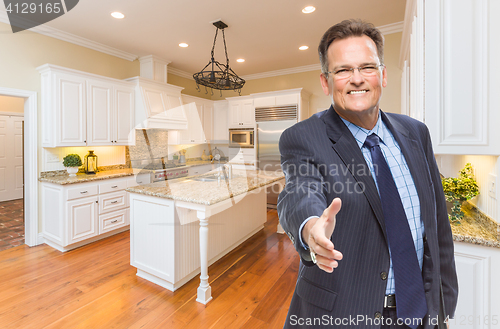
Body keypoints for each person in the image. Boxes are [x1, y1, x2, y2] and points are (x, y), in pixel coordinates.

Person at [277, 19, 458, 329]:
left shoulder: (416, 133)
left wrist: (443, 302)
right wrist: (310, 230)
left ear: (383, 75)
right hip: (344, 315)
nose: (357, 79)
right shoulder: (302, 137)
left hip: (421, 311)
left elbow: (437, 222)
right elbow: (298, 192)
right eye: (343, 70)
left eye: (367, 68)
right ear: (326, 81)